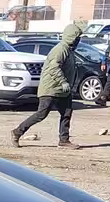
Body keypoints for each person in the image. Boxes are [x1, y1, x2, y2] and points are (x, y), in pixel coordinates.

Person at [11, 20, 84, 148]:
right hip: (51, 88)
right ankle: (17, 132)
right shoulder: (60, 50)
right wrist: (63, 82)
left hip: (62, 90)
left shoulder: (69, 50)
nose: (78, 41)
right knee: (41, 114)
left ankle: (64, 140)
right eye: (77, 38)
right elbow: (53, 68)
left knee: (66, 113)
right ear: (71, 37)